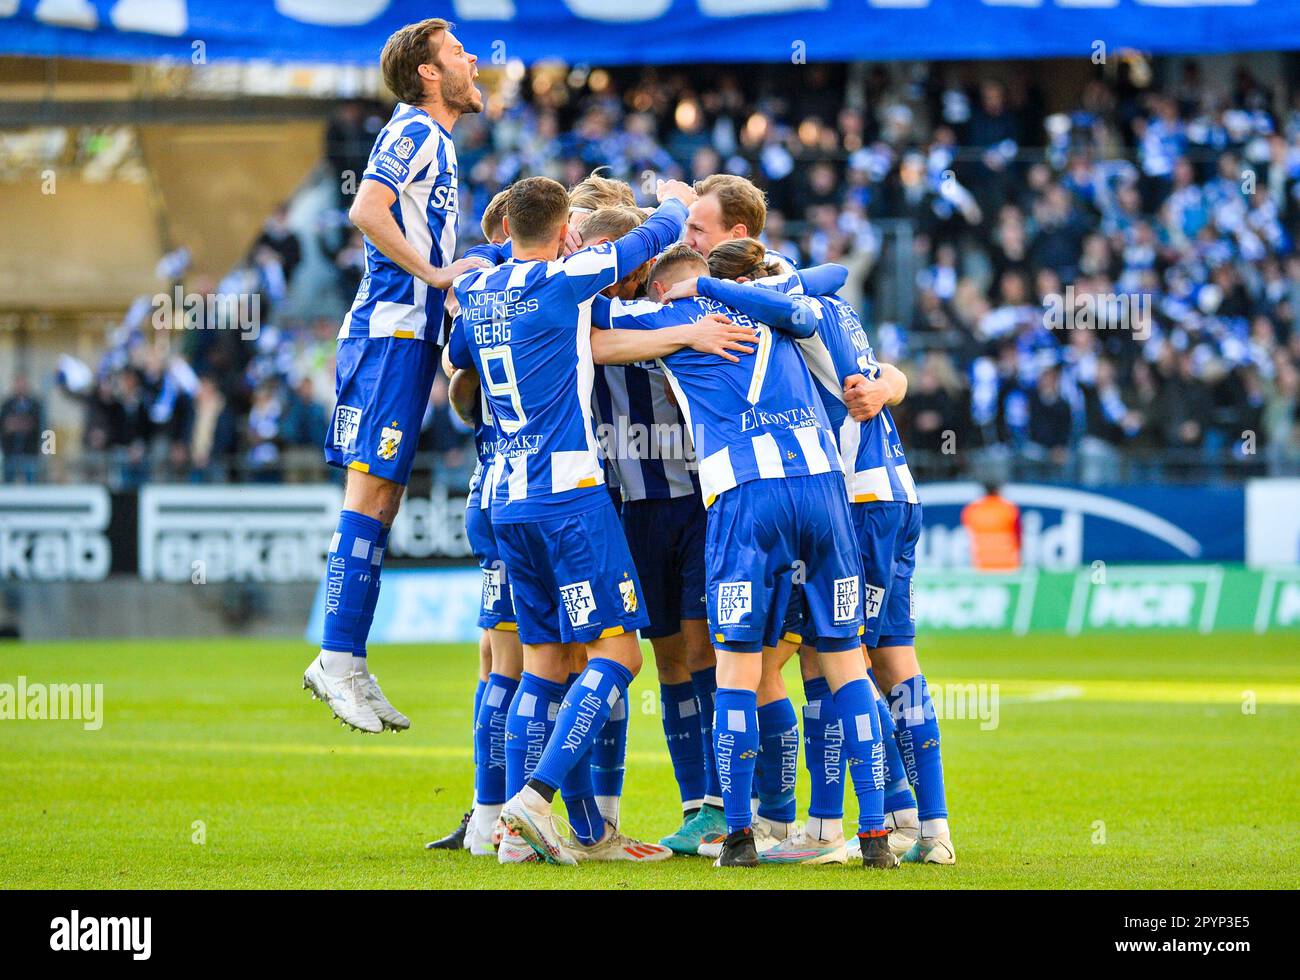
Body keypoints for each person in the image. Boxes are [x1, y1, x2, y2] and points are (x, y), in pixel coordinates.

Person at [446, 176, 754, 863]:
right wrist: (674, 200)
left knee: (544, 663)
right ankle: (535, 800)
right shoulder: (564, 282)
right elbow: (644, 240)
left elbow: (466, 357)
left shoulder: (478, 291)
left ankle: (525, 838)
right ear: (564, 235)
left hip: (504, 498)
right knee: (620, 653)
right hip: (569, 500)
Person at [594, 244, 894, 870]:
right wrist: (732, 289)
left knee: (737, 668)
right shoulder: (782, 306)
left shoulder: (663, 318)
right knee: (845, 663)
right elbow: (829, 284)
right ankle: (873, 838)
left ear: (663, 289)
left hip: (743, 496)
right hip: (822, 491)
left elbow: (588, 333)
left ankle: (737, 837)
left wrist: (682, 305)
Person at [302, 18, 490, 733]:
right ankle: (337, 658)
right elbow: (365, 209)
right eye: (457, 53)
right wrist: (437, 273)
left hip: (408, 338)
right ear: (429, 74)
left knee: (382, 503)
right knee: (371, 494)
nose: (472, 59)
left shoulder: (434, 139)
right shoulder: (412, 130)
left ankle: (347, 656)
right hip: (389, 331)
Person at [961, 483, 1022, 572]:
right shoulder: (1009, 508)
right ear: (998, 491)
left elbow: (968, 535)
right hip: (1007, 562)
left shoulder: (972, 509)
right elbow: (1018, 536)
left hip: (981, 562)